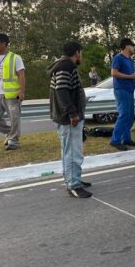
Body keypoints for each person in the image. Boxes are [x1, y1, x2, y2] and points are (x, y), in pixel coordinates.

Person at [47, 42, 93, 198]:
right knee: (73, 152)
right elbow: (62, 92)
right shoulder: (66, 67)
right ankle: (74, 185)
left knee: (69, 151)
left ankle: (73, 179)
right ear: (77, 52)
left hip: (66, 117)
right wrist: (73, 114)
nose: (81, 56)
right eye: (81, 53)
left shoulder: (64, 65)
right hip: (68, 119)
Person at [0, 33, 26, 150]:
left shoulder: (15, 58)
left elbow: (21, 75)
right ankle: (11, 134)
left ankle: (13, 141)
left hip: (11, 94)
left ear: (3, 43)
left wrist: (21, 91)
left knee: (14, 118)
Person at [109, 38, 135, 151]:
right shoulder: (118, 58)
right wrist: (130, 77)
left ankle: (126, 139)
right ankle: (115, 140)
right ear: (127, 46)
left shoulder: (130, 60)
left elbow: (132, 74)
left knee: (130, 116)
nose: (133, 48)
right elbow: (114, 73)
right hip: (121, 89)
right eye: (132, 46)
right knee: (124, 115)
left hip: (130, 89)